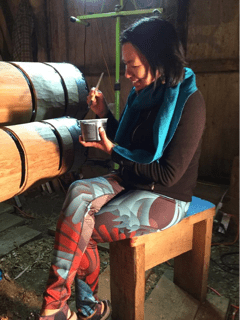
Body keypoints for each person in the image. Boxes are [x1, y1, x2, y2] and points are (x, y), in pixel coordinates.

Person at [38, 16, 206, 320]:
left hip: (166, 195)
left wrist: (113, 150)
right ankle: (59, 307)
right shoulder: (143, 95)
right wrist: (105, 113)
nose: (127, 74)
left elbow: (167, 173)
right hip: (130, 178)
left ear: (159, 61)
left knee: (80, 229)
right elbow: (128, 143)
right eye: (125, 65)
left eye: (134, 66)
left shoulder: (189, 102)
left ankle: (76, 309)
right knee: (78, 194)